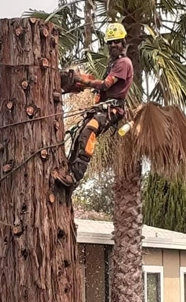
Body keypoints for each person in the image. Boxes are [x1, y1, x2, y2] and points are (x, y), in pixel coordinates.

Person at [57, 23, 134, 189]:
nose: (113, 45)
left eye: (117, 42)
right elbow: (102, 91)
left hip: (113, 109)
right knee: (78, 135)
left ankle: (75, 176)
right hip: (102, 108)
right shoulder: (112, 64)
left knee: (89, 131)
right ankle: (69, 172)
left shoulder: (124, 63)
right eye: (110, 42)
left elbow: (106, 85)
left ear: (123, 43)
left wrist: (84, 80)